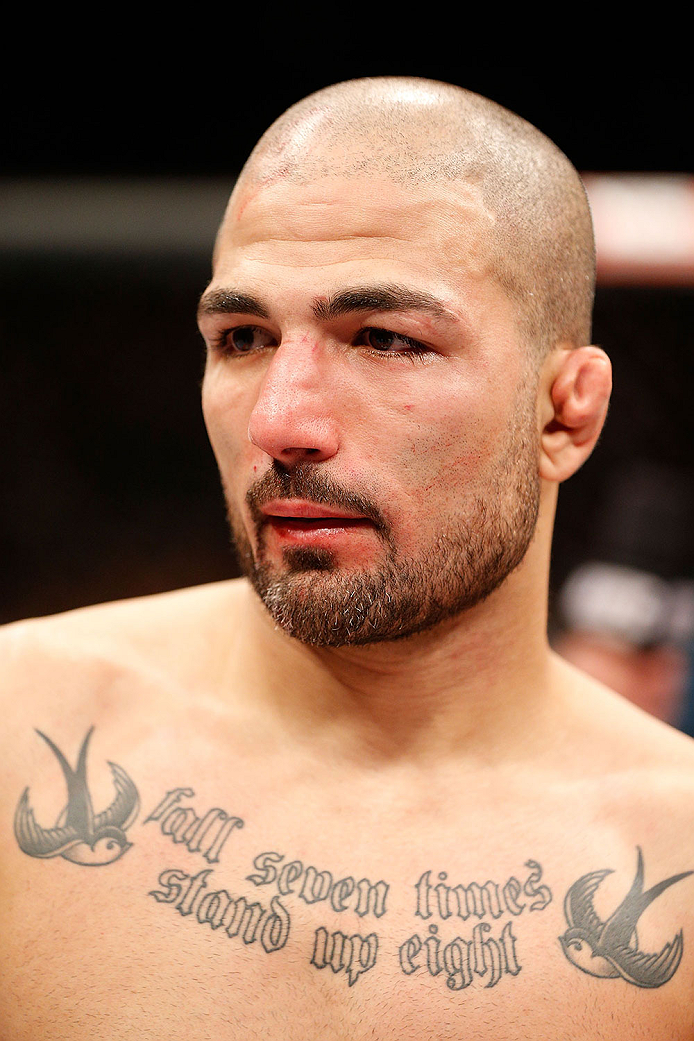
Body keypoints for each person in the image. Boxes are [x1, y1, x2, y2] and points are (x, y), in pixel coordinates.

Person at [2, 77, 693, 1040]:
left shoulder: (675, 865)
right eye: (242, 337)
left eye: (385, 339)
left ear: (566, 412)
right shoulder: (20, 729)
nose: (284, 423)